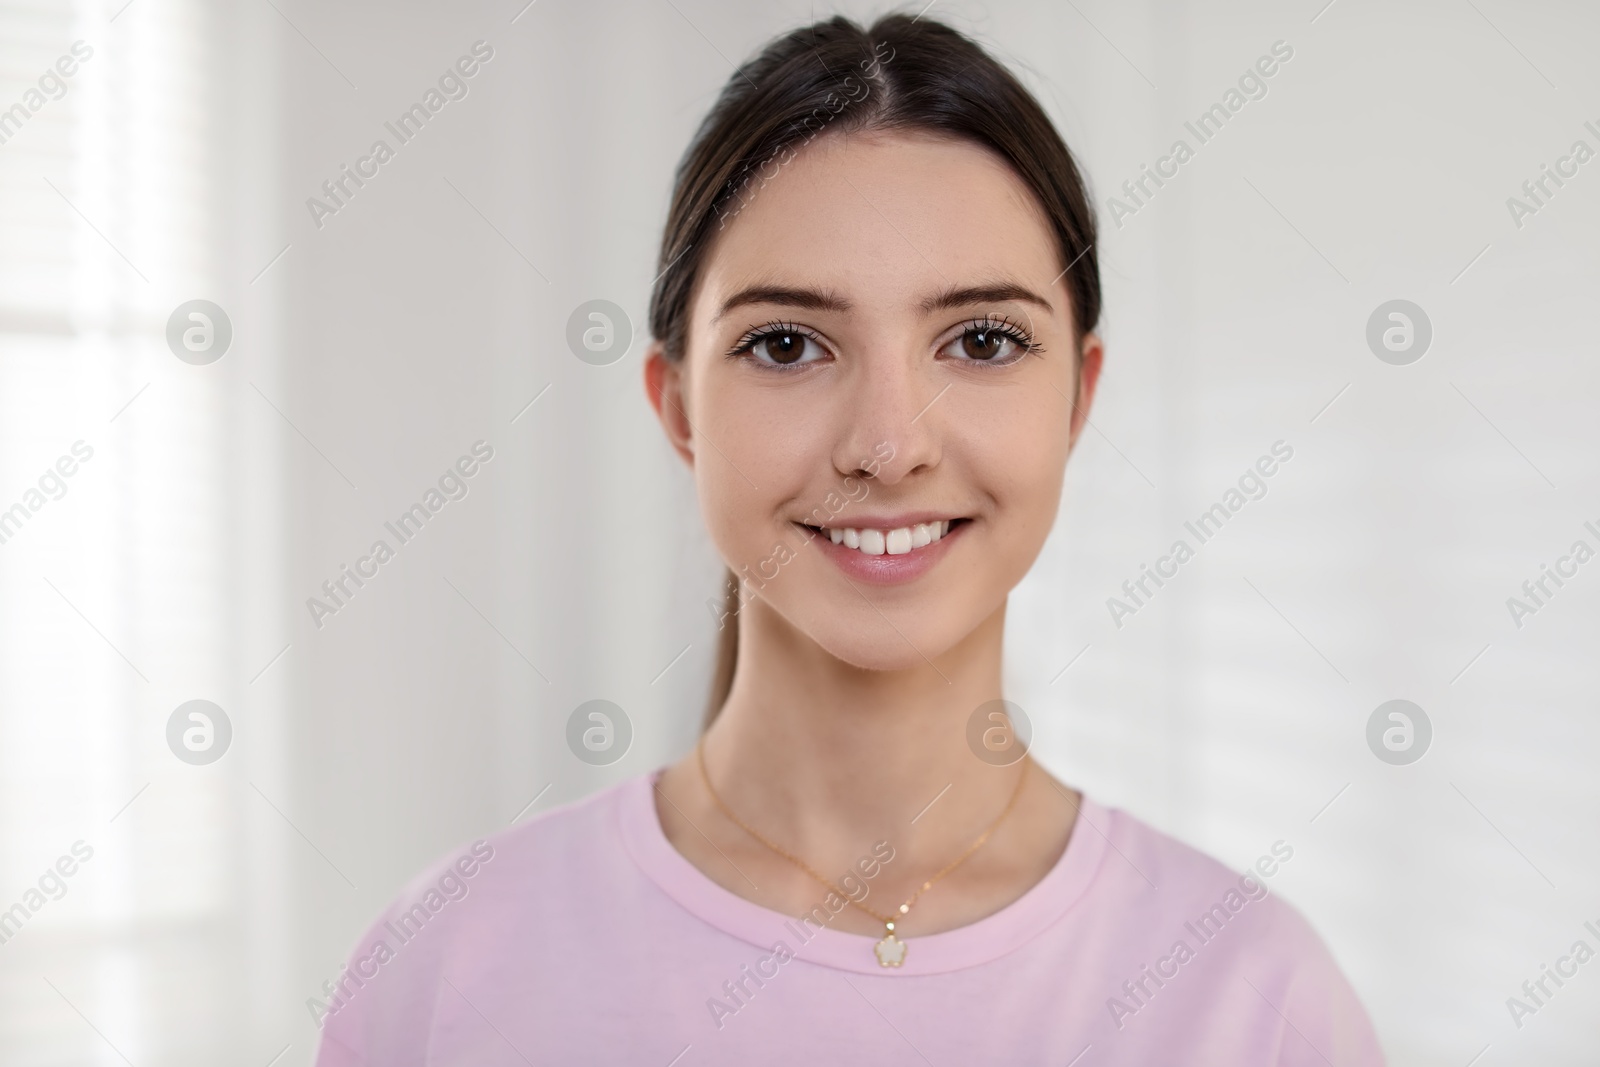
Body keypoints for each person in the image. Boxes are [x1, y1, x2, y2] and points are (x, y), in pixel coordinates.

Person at [315, 14, 1384, 1064]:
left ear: (1075, 399)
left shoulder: (1253, 1000)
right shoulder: (445, 971)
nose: (887, 444)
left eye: (980, 339)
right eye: (787, 344)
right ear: (678, 405)